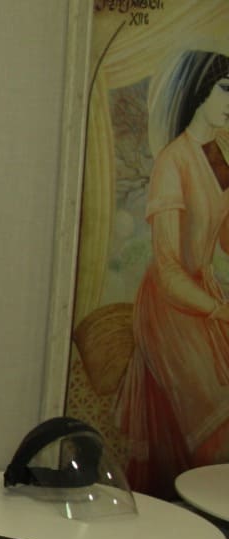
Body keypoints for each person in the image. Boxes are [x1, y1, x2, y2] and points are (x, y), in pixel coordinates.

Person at [113, 49, 229, 499]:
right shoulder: (173, 162)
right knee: (214, 434)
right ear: (200, 91)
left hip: (205, 295)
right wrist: (217, 309)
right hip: (170, 304)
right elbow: (167, 268)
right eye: (226, 89)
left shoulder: (220, 154)